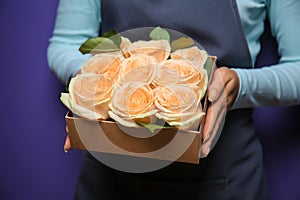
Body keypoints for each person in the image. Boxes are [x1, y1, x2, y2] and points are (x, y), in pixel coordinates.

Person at [47, 0, 300, 199]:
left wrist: (237, 86)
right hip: (109, 177)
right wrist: (101, 80)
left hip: (226, 178)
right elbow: (65, 43)